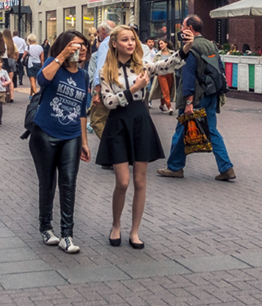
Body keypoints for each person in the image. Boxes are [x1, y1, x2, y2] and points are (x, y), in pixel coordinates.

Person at [97, 24, 188, 248]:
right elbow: (109, 102)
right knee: (123, 181)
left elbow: (166, 64)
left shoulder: (143, 66)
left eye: (133, 40)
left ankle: (135, 231)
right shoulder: (106, 71)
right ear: (115, 43)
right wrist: (134, 88)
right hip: (118, 123)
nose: (130, 43)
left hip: (140, 121)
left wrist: (186, 49)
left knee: (139, 181)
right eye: (125, 40)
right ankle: (116, 224)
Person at [29, 29, 92, 253]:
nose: (81, 48)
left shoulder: (83, 76)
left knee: (69, 183)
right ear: (65, 46)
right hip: (44, 133)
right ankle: (46, 227)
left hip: (72, 136)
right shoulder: (52, 64)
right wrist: (61, 56)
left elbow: (82, 110)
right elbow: (41, 80)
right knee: (47, 183)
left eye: (84, 45)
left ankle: (67, 235)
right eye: (76, 45)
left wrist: (84, 141)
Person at [158, 14, 235, 182]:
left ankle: (175, 167)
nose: (181, 30)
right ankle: (226, 167)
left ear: (190, 29)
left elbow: (188, 76)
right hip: (211, 94)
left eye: (183, 27)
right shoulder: (211, 45)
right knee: (212, 130)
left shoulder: (190, 48)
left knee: (181, 131)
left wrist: (188, 101)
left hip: (196, 96)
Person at [154, 39, 176, 113]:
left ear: (166, 44)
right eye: (159, 44)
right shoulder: (158, 54)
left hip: (170, 73)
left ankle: (162, 104)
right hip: (161, 74)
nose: (161, 45)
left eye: (162, 43)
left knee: (168, 90)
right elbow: (154, 64)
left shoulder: (172, 53)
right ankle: (169, 107)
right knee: (165, 90)